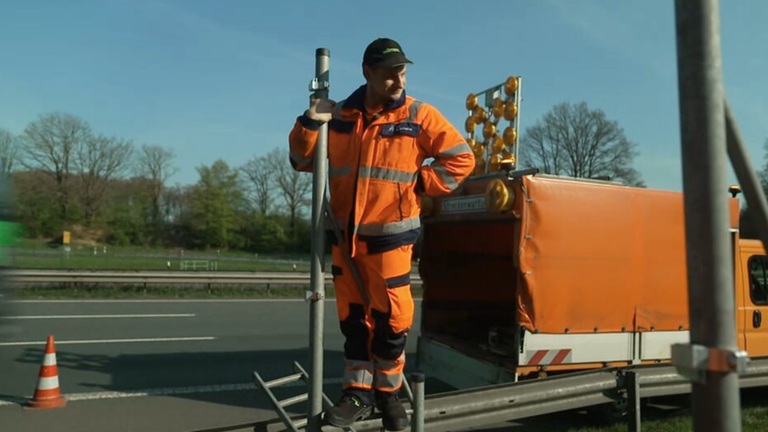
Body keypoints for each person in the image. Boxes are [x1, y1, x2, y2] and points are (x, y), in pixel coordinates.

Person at [289, 38, 474, 430]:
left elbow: (462, 157)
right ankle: (357, 394)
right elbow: (301, 160)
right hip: (345, 241)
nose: (398, 80)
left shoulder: (419, 115)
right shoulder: (339, 115)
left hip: (390, 240)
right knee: (355, 324)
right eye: (389, 73)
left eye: (402, 73)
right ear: (367, 73)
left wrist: (421, 184)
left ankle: (389, 398)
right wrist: (309, 121)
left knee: (392, 321)